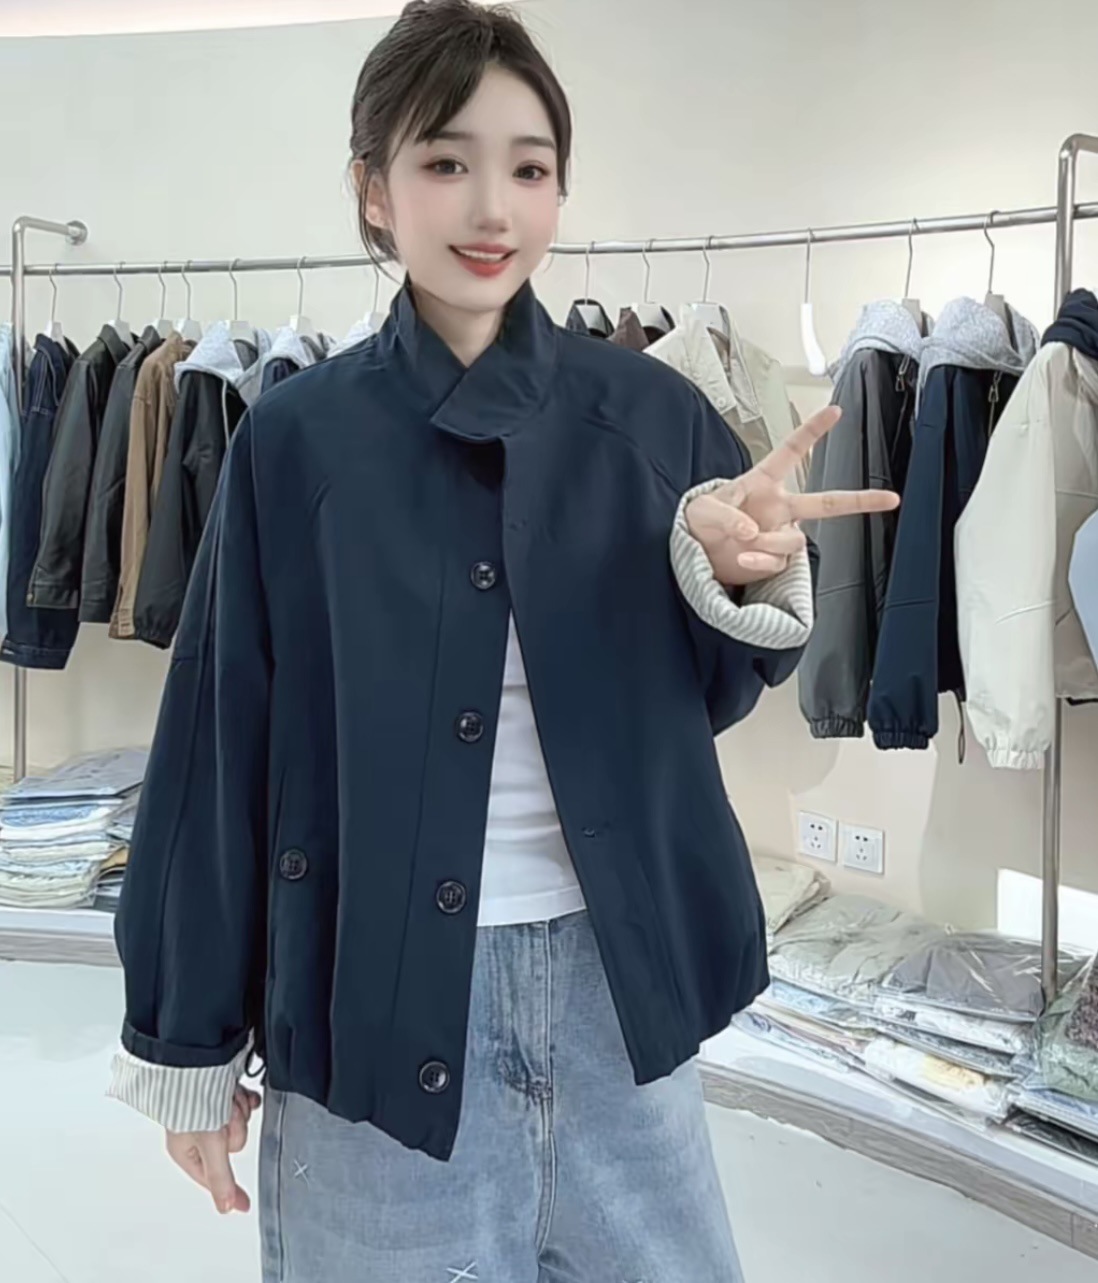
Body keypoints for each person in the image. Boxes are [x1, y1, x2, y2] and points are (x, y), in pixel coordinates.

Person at [107, 2, 898, 1279]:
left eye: (529, 168)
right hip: (370, 1000)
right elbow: (219, 738)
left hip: (614, 993)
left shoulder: (655, 416)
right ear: (374, 191)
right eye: (445, 161)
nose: (492, 207)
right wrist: (187, 1041)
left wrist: (725, 574)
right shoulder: (296, 442)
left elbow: (704, 699)